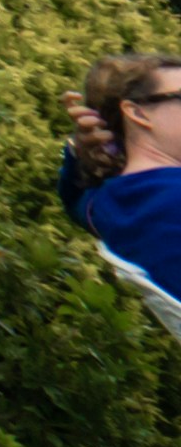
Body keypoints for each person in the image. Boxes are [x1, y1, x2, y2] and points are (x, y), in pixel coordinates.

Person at [64, 56, 181, 282]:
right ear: (138, 113)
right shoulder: (172, 199)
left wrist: (80, 152)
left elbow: (75, 197)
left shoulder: (105, 204)